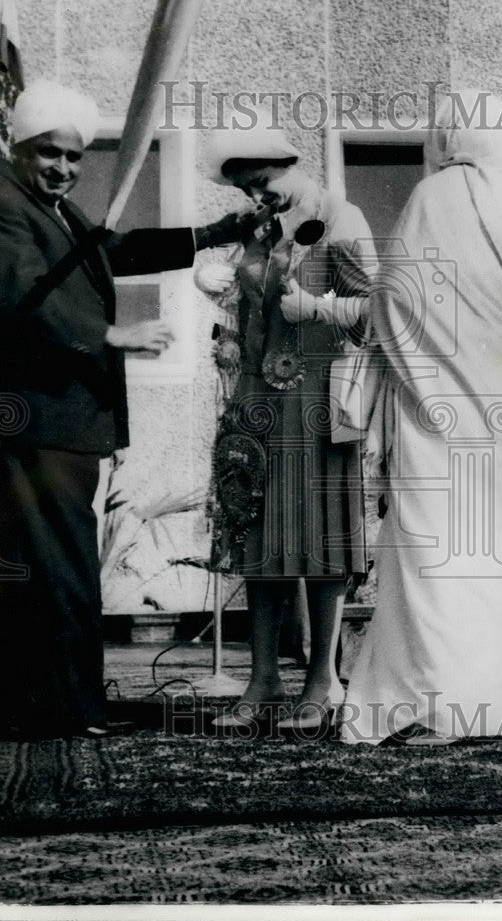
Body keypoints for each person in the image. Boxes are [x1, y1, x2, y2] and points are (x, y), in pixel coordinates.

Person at [0, 80, 248, 739]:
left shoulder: (56, 212)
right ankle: (64, 713)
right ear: (18, 148)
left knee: (55, 570)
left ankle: (43, 710)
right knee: (58, 571)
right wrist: (110, 335)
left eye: (75, 158)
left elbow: (113, 253)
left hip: (66, 424)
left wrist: (212, 232)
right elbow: (15, 293)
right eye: (50, 154)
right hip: (40, 420)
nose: (65, 169)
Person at [341, 91, 502, 746]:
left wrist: (429, 369)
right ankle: (486, 701)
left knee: (435, 553)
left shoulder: (431, 198)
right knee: (489, 551)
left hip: (437, 417)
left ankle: (430, 701)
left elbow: (393, 302)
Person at [195, 123, 377, 732]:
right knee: (258, 537)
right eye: (248, 189)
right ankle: (264, 678)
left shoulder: (342, 218)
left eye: (263, 183)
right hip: (254, 399)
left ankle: (322, 681)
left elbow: (378, 314)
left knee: (321, 542)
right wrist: (216, 289)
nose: (257, 197)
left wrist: (320, 308)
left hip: (318, 399)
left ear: (288, 164)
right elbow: (247, 306)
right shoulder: (255, 228)